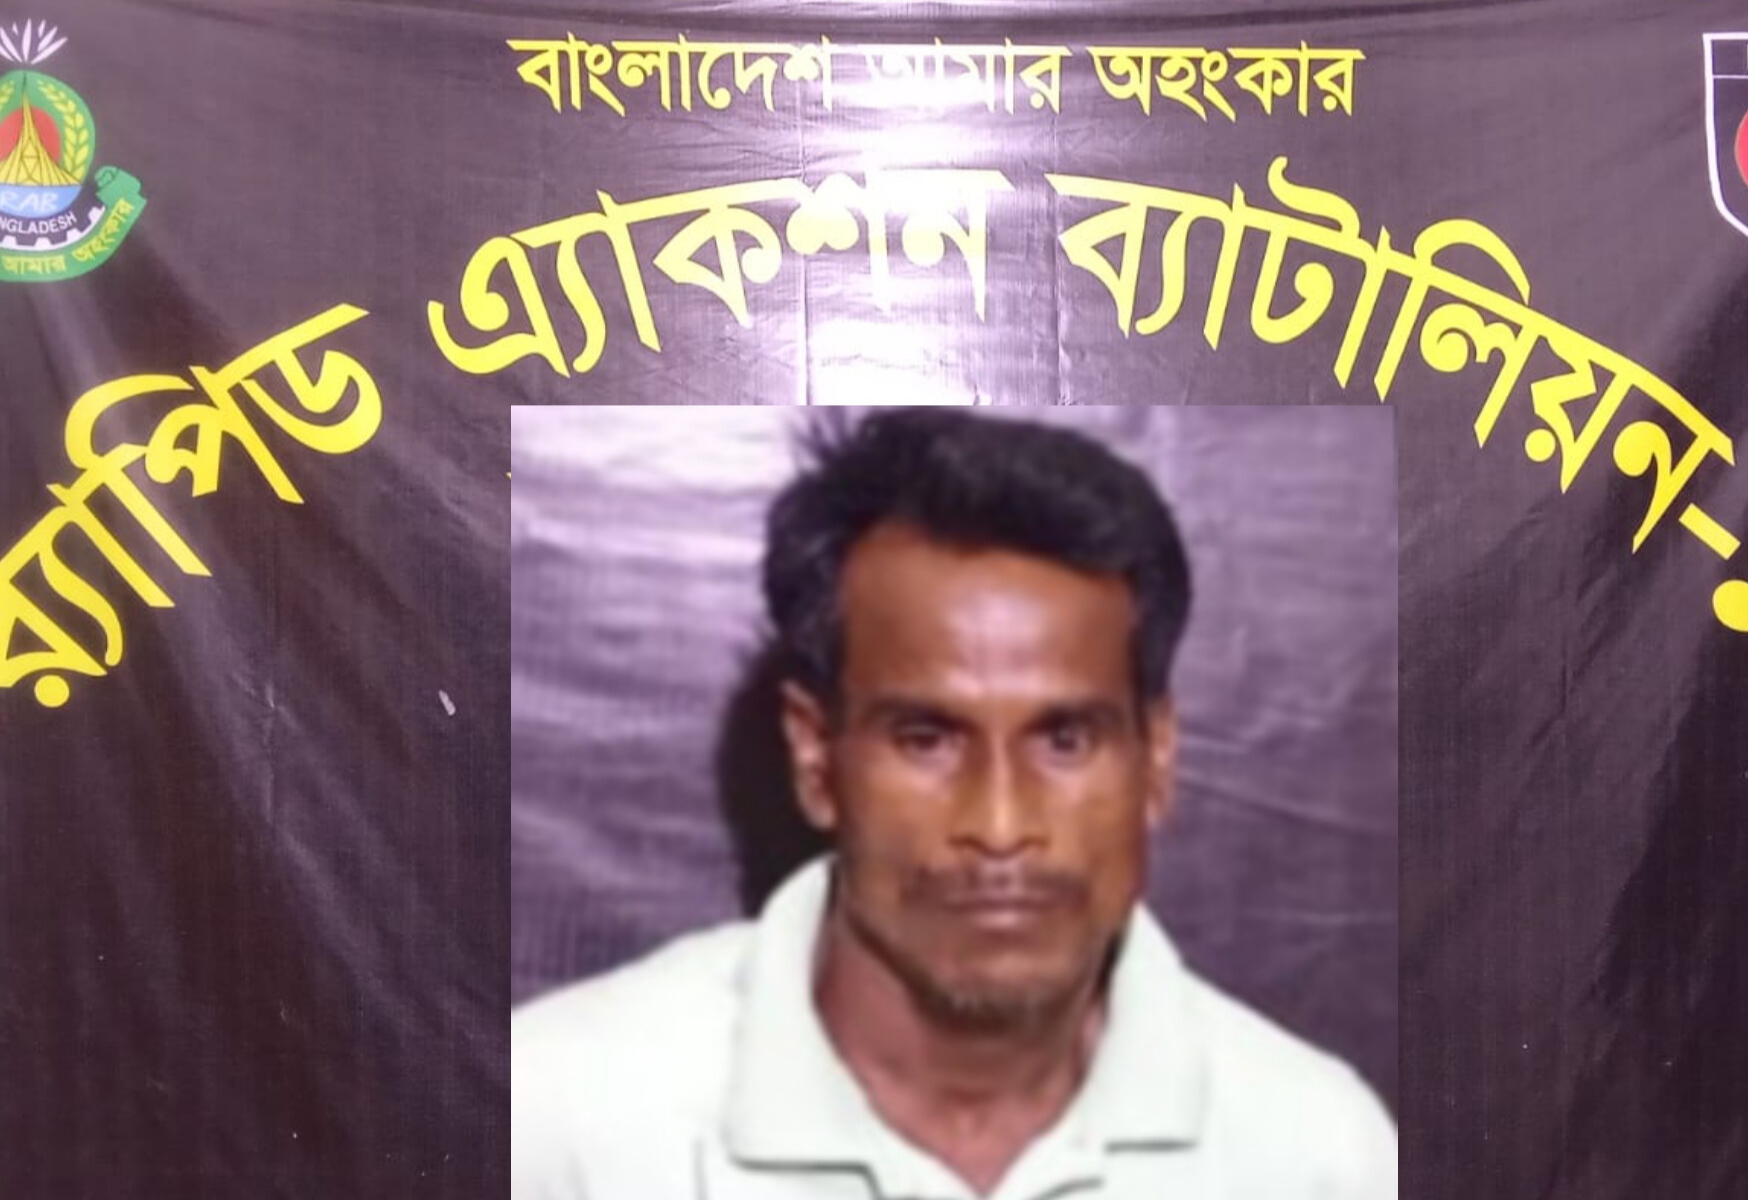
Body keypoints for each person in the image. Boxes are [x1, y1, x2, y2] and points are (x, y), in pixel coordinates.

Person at [512, 409, 1397, 1200]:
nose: (1001, 827)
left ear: (1157, 757)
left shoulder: (1317, 1157)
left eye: (1065, 740)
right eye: (926, 739)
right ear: (816, 759)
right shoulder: (556, 1126)